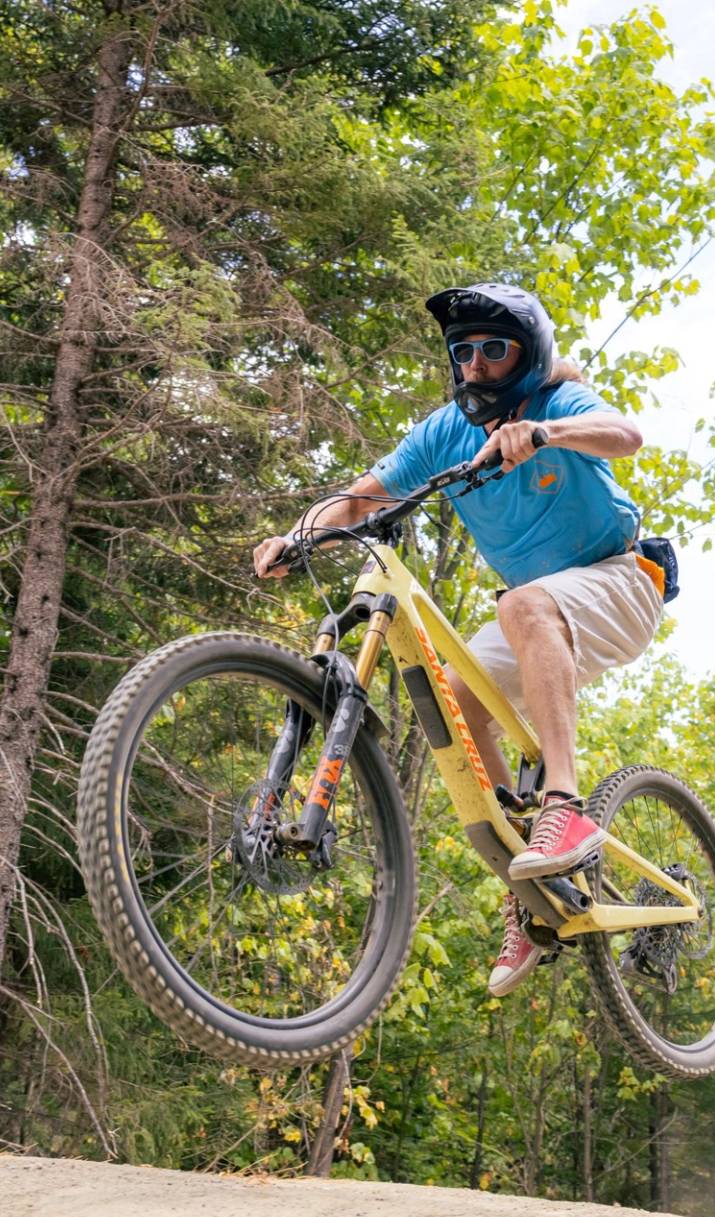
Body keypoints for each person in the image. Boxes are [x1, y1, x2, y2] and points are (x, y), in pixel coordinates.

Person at [252, 283, 664, 997]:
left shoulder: (555, 403)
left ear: (527, 357)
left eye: (493, 350)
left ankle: (562, 810)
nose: (474, 364)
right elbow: (362, 496)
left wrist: (543, 434)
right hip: (540, 611)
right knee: (458, 695)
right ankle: (533, 885)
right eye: (462, 350)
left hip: (621, 580)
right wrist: (299, 533)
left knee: (524, 606)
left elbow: (625, 436)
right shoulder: (445, 430)